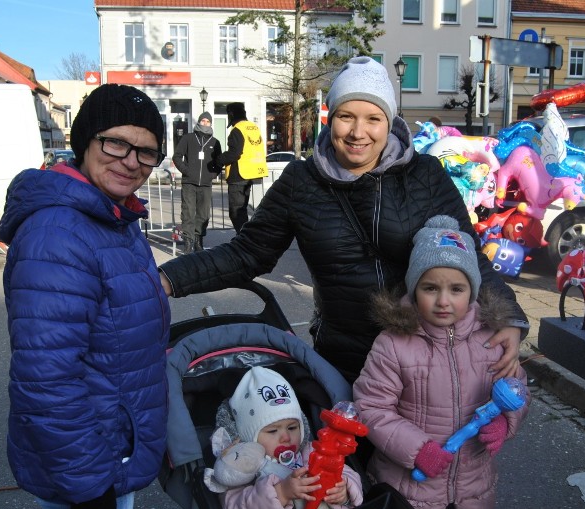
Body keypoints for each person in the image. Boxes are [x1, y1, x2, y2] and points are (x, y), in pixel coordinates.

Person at [159, 56, 528, 385]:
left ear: (390, 122)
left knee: (424, 457)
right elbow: (246, 254)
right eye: (346, 116)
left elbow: (469, 256)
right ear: (330, 118)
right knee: (347, 459)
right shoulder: (300, 182)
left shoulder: (424, 175)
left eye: (373, 118)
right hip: (343, 359)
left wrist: (508, 315)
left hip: (426, 356)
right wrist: (167, 279)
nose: (358, 132)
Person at [0, 84, 171, 509]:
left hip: (107, 444)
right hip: (87, 459)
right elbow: (45, 375)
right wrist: (87, 480)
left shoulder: (112, 217)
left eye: (146, 151)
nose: (131, 161)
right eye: (115, 143)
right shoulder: (59, 231)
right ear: (84, 142)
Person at [352, 215, 530, 509]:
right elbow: (371, 407)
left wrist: (506, 421)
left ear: (473, 291)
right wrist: (418, 449)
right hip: (408, 491)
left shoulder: (491, 339)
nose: (444, 301)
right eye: (431, 288)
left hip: (467, 488)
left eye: (457, 289)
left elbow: (516, 388)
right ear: (414, 289)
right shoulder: (394, 344)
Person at [213, 366, 390, 509]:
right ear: (248, 437)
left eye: (292, 427)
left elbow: (345, 473)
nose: (286, 437)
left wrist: (344, 491)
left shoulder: (310, 451)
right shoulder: (243, 469)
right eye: (272, 430)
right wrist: (281, 493)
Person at [172, 111, 222, 253]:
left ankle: (198, 240)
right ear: (199, 122)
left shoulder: (215, 142)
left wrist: (212, 175)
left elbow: (219, 162)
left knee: (203, 214)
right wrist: (186, 171)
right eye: (203, 121)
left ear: (211, 124)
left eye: (208, 121)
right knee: (188, 212)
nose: (205, 123)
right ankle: (188, 241)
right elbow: (177, 156)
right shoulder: (188, 138)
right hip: (189, 182)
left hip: (206, 184)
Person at [218, 102, 268, 233]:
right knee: (244, 210)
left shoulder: (237, 130)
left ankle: (243, 241)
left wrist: (218, 160)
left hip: (239, 175)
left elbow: (234, 153)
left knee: (236, 212)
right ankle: (245, 238)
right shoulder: (253, 127)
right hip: (254, 173)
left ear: (231, 115)